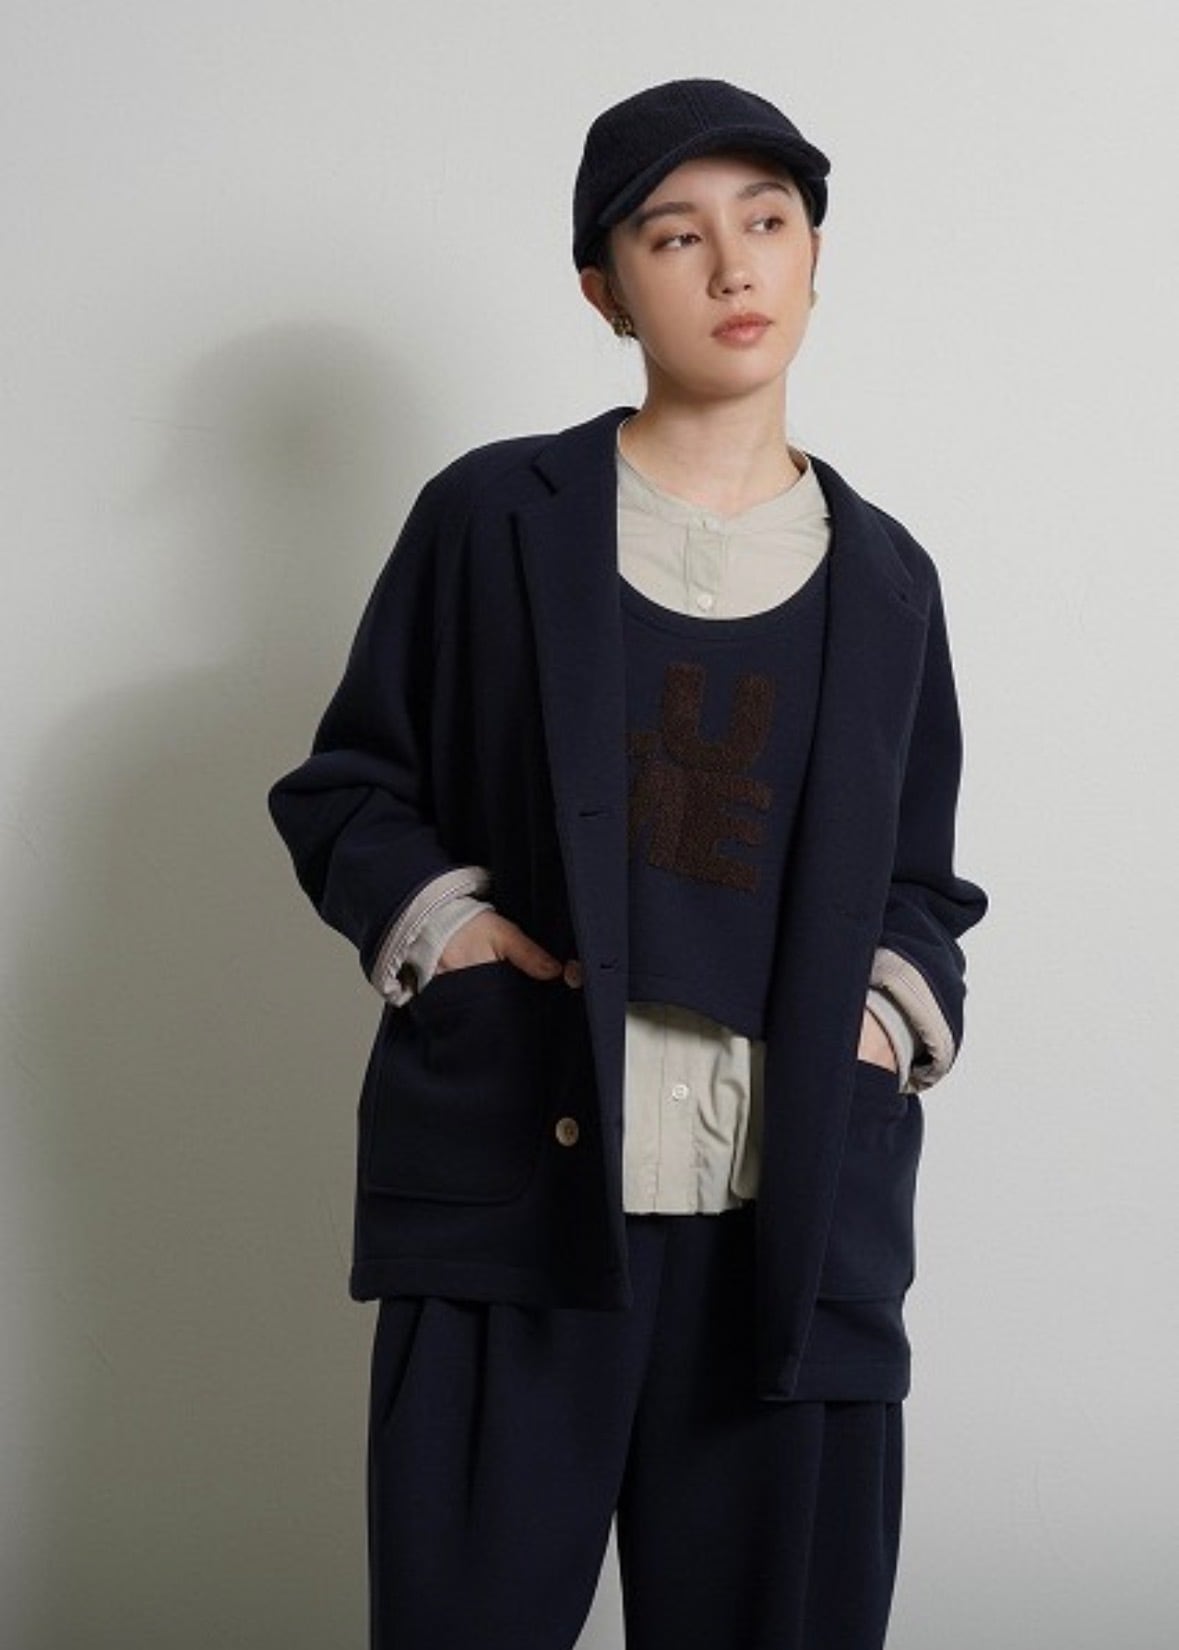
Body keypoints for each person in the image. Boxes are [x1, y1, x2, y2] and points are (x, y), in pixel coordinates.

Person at [268, 76, 989, 1650]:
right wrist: (454, 936)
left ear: (813, 258)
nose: (733, 267)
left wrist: (877, 1027)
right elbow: (350, 789)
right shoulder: (492, 520)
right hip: (513, 1209)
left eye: (768, 222)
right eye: (676, 235)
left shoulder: (888, 582)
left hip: (788, 1239)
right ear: (604, 289)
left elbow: (924, 888)